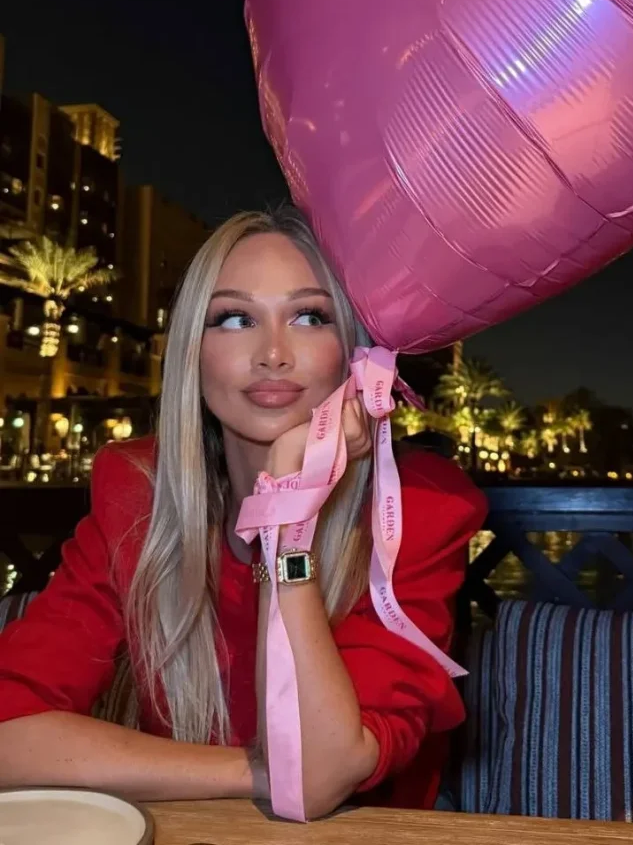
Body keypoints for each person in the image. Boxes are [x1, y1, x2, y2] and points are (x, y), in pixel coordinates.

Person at [0, 207, 487, 818]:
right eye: (235, 319)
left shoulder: (420, 506)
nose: (273, 354)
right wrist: (258, 770)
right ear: (193, 353)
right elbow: (8, 729)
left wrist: (286, 516)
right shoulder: (137, 492)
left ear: (355, 354)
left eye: (310, 317)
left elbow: (319, 775)